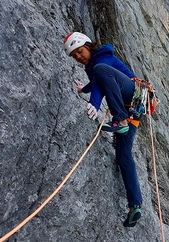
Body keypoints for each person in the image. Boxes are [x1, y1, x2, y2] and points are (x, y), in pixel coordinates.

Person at [63, 32, 142, 227]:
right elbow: (97, 82)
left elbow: (101, 76)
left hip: (131, 95)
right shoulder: (96, 67)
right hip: (132, 110)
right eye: (74, 56)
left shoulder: (104, 58)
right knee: (123, 156)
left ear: (88, 46)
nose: (78, 57)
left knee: (100, 69)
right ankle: (135, 206)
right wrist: (84, 90)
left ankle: (120, 121)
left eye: (79, 51)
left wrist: (94, 104)